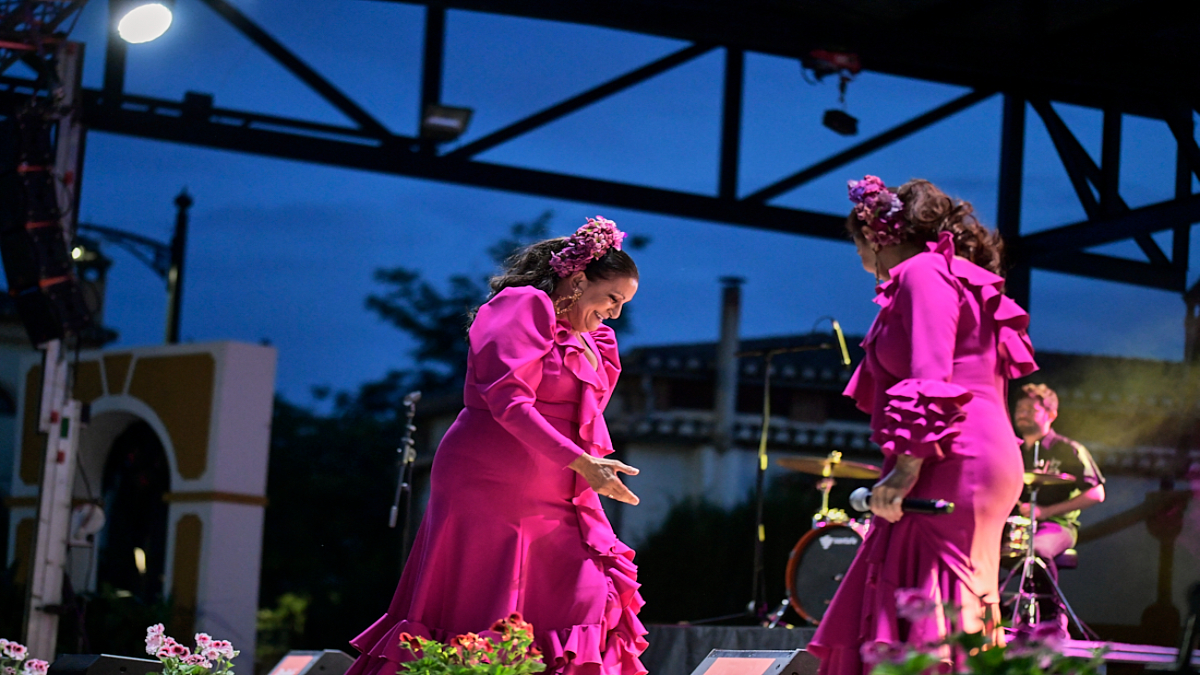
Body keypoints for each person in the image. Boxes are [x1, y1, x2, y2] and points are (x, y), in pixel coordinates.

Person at [346, 217, 648, 675]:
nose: (616, 313)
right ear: (579, 278)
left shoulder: (598, 340)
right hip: (490, 480)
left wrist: (589, 469)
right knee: (486, 611)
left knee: (588, 595)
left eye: (623, 303)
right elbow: (509, 402)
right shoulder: (523, 305)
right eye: (612, 298)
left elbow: (583, 417)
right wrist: (583, 463)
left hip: (561, 489)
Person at [807, 176, 1038, 675]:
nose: (860, 256)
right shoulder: (958, 274)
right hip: (977, 450)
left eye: (857, 242)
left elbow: (930, 374)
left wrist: (907, 467)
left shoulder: (924, 273)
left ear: (876, 236)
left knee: (928, 597)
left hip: (951, 455)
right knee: (951, 602)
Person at [1012, 382, 1105, 633]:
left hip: (1057, 525)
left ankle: (1052, 619)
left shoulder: (1068, 450)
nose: (1021, 413)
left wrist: (1045, 512)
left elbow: (1097, 494)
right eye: (1019, 408)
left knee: (1038, 549)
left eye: (1030, 409)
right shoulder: (1013, 450)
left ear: (1051, 414)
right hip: (1017, 528)